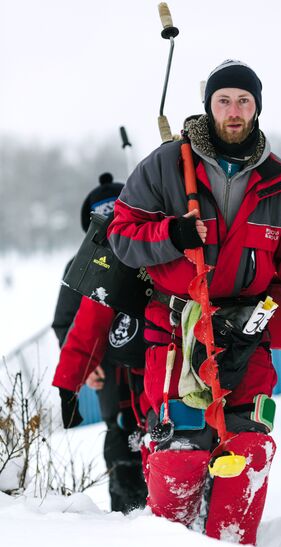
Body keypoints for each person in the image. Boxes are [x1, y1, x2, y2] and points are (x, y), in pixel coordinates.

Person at [107, 59, 281, 544]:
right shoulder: (167, 164)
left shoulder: (280, 181)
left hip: (247, 337)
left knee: (248, 447)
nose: (234, 111)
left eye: (244, 101)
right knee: (182, 452)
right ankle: (172, 539)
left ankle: (232, 540)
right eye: (224, 100)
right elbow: (122, 236)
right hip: (176, 334)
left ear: (257, 108)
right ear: (209, 106)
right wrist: (172, 233)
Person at [52, 172, 148, 513]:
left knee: (149, 426)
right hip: (104, 365)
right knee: (119, 431)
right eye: (102, 215)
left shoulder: (143, 252)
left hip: (144, 355)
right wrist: (86, 368)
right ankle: (124, 510)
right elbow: (65, 322)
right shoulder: (78, 267)